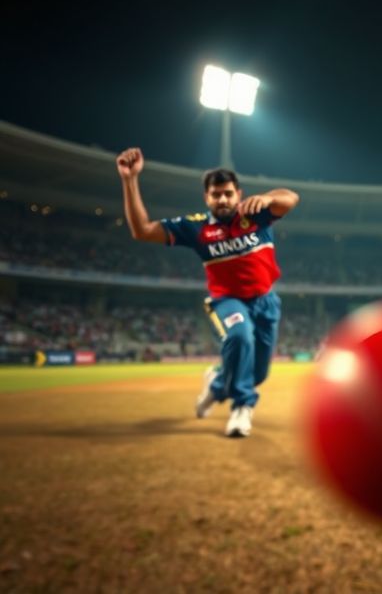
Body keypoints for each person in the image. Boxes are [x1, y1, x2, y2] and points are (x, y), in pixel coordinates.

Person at [116, 147, 299, 436]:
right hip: (227, 301)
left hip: (266, 301)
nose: (222, 199)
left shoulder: (257, 213)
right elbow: (142, 230)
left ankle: (216, 384)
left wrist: (268, 197)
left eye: (228, 193)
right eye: (216, 195)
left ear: (238, 194)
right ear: (207, 198)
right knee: (240, 337)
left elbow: (291, 199)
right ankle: (242, 407)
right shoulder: (196, 227)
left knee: (258, 373)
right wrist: (130, 180)